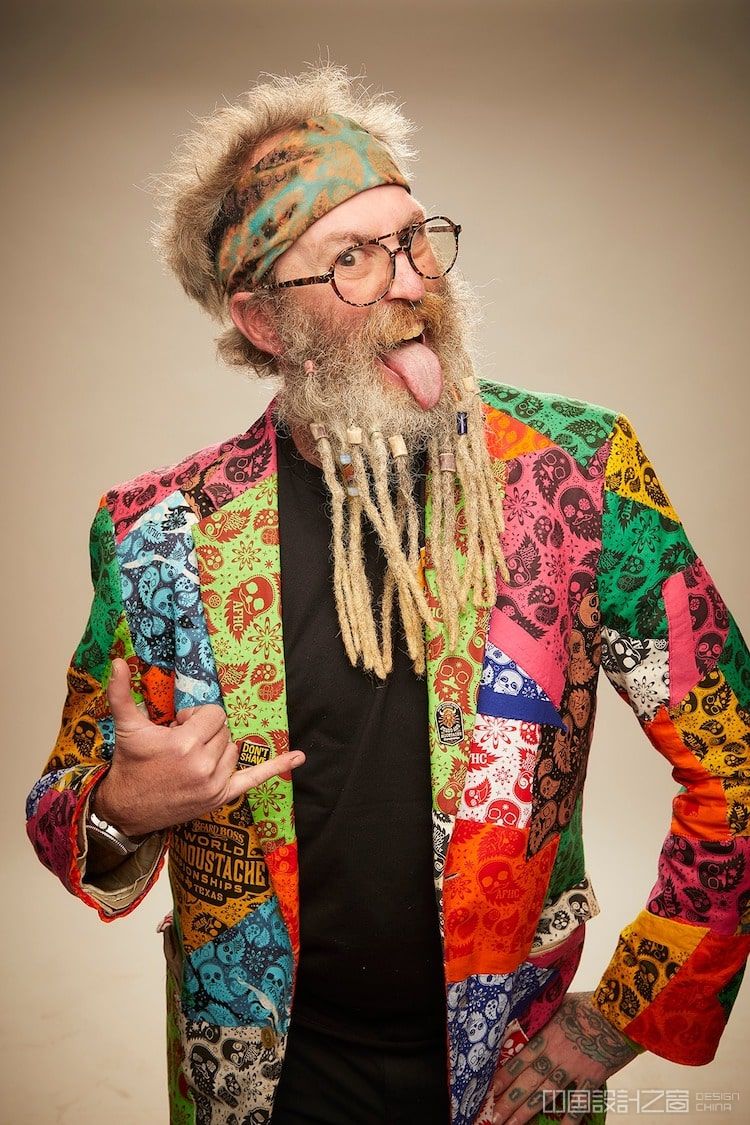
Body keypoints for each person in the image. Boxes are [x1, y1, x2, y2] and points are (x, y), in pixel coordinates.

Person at [26, 64, 750, 1125]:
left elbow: (738, 762)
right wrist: (126, 810)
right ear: (264, 321)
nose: (412, 280)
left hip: (508, 1074)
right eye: (353, 259)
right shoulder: (157, 534)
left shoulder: (579, 478)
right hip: (260, 1079)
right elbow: (61, 808)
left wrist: (614, 1021)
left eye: (414, 238)